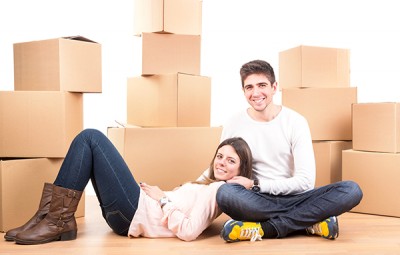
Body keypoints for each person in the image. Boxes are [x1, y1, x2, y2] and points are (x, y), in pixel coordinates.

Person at [199, 59, 363, 242]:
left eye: (262, 85)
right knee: (226, 194)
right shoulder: (233, 122)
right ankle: (309, 222)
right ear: (243, 91)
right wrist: (184, 190)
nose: (256, 93)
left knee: (351, 190)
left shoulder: (295, 122)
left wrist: (254, 183)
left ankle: (266, 229)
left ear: (274, 87)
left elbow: (306, 182)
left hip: (296, 197)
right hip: (255, 200)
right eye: (249, 87)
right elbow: (220, 165)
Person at [4, 129, 253, 245]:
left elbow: (189, 231)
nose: (221, 163)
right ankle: (48, 217)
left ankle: (57, 221)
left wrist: (162, 198)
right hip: (137, 208)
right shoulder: (208, 179)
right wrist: (161, 194)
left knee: (91, 138)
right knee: (88, 143)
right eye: (220, 156)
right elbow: (215, 171)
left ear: (241, 170)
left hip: (134, 212)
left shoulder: (217, 192)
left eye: (231, 161)